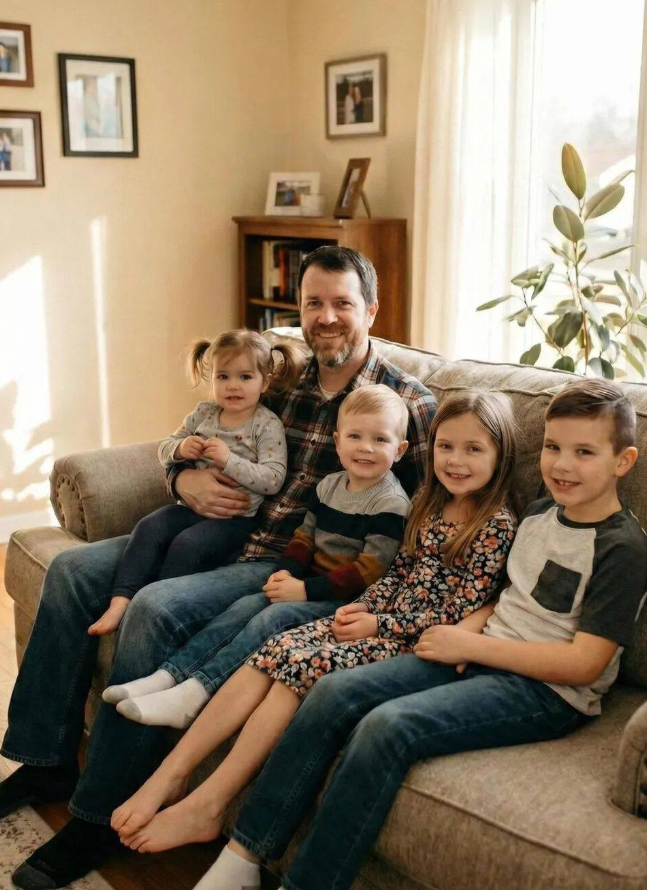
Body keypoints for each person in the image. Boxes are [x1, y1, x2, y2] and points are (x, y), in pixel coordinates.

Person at [1, 245, 437, 889]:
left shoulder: (407, 405)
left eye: (342, 304)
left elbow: (422, 525)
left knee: (155, 606)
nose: (325, 317)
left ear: (371, 310)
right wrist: (183, 481)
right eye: (313, 303)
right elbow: (195, 434)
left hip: (286, 561)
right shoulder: (283, 376)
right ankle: (44, 762)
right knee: (71, 573)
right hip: (219, 528)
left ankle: (96, 817)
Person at [182, 378, 647, 890]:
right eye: (554, 448)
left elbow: (585, 664)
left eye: (584, 452)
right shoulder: (542, 513)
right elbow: (504, 594)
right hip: (474, 649)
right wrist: (468, 630)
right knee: (333, 691)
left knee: (388, 728)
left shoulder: (621, 549)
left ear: (623, 461)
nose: (562, 465)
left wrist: (471, 643)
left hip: (544, 691)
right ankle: (245, 853)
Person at [110, 390, 517, 855]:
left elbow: (459, 612)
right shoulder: (428, 500)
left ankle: (208, 804)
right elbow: (398, 572)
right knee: (276, 647)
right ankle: (171, 774)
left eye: (473, 449)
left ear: (500, 455)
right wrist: (364, 608)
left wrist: (378, 625)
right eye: (446, 446)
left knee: (298, 668)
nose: (456, 460)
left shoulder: (496, 525)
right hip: (377, 617)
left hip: (414, 641)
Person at [103, 383, 412, 729]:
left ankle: (195, 692)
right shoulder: (329, 486)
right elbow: (304, 536)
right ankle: (168, 676)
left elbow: (369, 571)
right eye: (355, 436)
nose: (366, 448)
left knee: (271, 619)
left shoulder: (390, 503)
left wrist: (305, 590)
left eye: (380, 440)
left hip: (345, 600)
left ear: (400, 449)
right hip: (306, 582)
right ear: (338, 442)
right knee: (245, 607)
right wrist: (286, 572)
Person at [88, 329, 300, 636]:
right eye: (223, 376)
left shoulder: (266, 425)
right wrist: (179, 449)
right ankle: (120, 602)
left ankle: (152, 608)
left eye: (245, 377)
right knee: (148, 527)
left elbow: (273, 479)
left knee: (188, 544)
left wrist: (229, 460)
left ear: (264, 382)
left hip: (236, 520)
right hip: (190, 508)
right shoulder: (204, 413)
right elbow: (164, 448)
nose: (233, 385)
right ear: (211, 379)